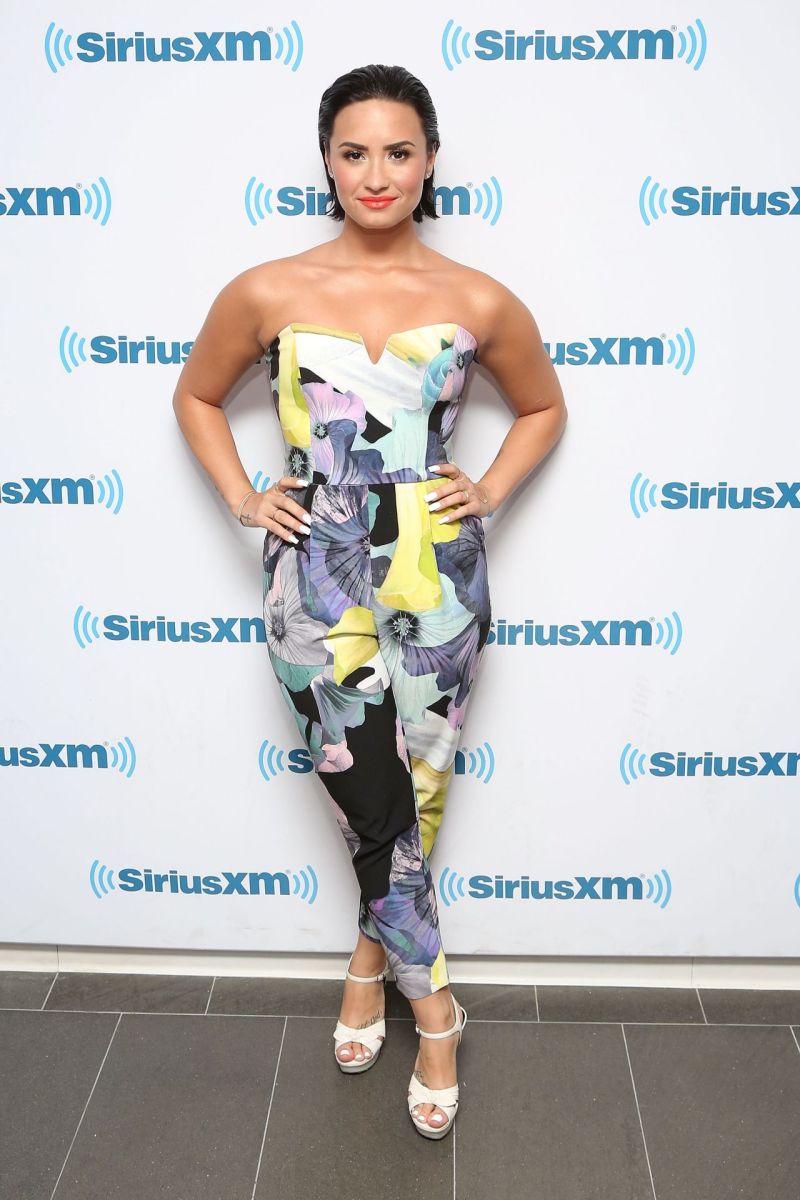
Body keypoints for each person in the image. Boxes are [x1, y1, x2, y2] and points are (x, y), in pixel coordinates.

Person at [172, 62, 567, 1139]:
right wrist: (244, 496)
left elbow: (541, 407)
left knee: (416, 783)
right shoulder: (266, 289)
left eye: (399, 151)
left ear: (430, 161)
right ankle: (434, 1010)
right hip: (313, 565)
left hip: (439, 566)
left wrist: (486, 490)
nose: (376, 173)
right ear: (327, 162)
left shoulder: (479, 298)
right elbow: (197, 395)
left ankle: (365, 963)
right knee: (364, 780)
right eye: (354, 153)